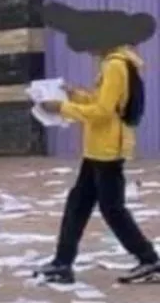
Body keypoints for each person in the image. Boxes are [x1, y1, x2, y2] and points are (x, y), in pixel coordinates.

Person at [36, 45, 159, 284]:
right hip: (98, 149)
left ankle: (149, 259)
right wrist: (73, 95)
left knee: (112, 209)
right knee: (78, 204)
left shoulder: (115, 65)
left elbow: (103, 112)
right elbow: (102, 102)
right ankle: (62, 263)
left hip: (108, 150)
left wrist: (62, 108)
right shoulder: (115, 63)